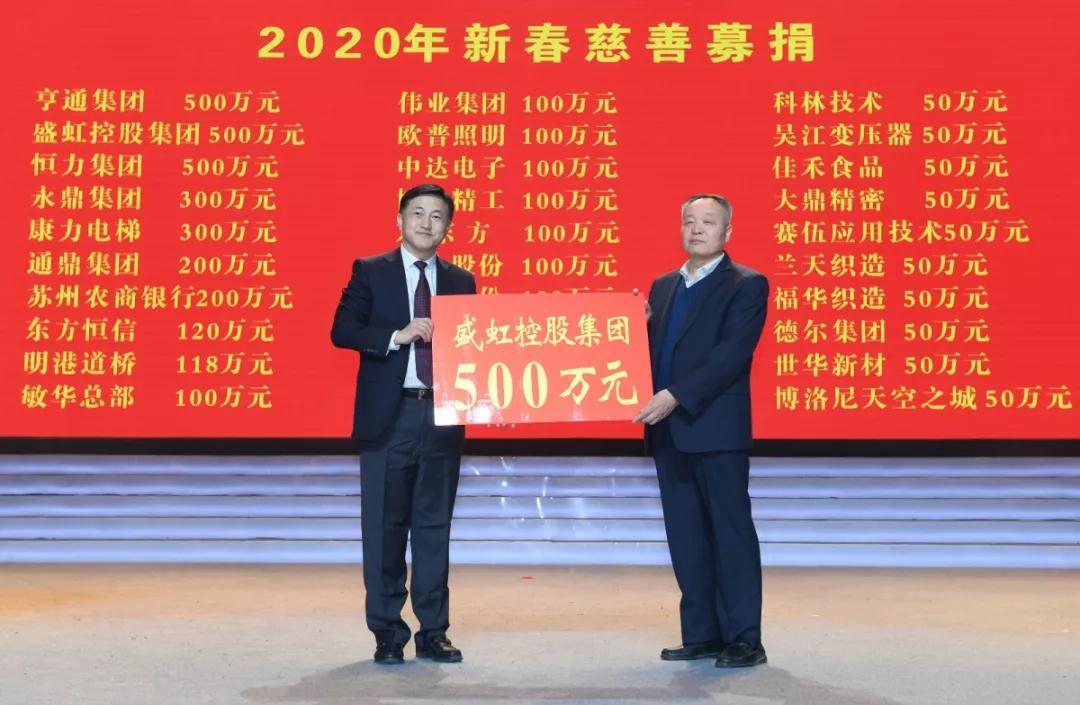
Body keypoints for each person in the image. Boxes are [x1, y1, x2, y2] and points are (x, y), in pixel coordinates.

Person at [330, 183, 476, 665]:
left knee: (434, 528)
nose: (426, 223)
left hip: (442, 416)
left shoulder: (461, 280)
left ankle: (434, 631)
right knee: (385, 529)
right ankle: (387, 632)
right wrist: (397, 335)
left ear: (448, 227)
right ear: (399, 220)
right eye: (417, 213)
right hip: (389, 417)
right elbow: (342, 330)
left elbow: (475, 346)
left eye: (437, 216)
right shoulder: (371, 271)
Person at [634, 193, 770, 668]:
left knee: (730, 535)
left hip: (716, 431)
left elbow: (730, 356)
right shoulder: (662, 287)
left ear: (726, 232)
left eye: (708, 222)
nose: (696, 229)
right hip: (669, 432)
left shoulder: (746, 285)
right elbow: (652, 356)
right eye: (689, 221)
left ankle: (745, 639)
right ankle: (702, 634)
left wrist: (675, 396)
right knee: (686, 536)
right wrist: (634, 330)